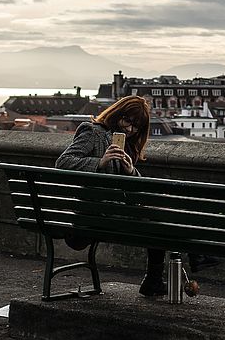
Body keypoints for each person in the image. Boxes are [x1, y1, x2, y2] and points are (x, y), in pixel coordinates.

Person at [55, 96, 170, 296]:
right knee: (158, 219)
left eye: (136, 127)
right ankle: (156, 279)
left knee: (159, 216)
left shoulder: (126, 144)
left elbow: (135, 190)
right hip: (91, 219)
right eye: (128, 122)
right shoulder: (92, 132)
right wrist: (99, 163)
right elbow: (63, 162)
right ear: (118, 114)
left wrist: (130, 171)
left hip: (108, 215)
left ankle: (157, 278)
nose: (130, 129)